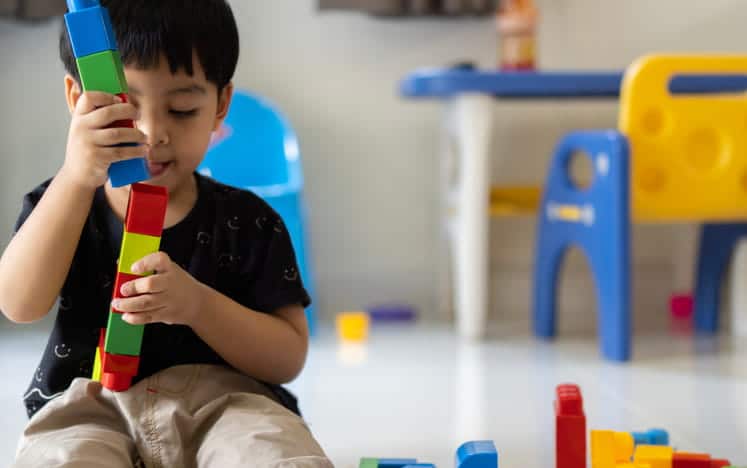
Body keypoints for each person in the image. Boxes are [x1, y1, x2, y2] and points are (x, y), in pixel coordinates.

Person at [0, 1, 332, 466]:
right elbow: (18, 303)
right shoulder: (59, 205)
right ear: (78, 101)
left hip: (230, 407)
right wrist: (76, 178)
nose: (152, 132)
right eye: (124, 107)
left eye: (181, 109)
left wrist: (198, 305)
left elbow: (286, 359)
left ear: (219, 106)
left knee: (277, 454)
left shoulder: (251, 222)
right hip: (88, 409)